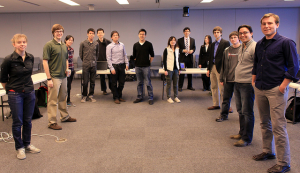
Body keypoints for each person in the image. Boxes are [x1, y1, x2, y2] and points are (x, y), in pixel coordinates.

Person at [252, 13, 299, 173]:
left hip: (275, 89)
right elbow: (256, 63)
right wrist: (254, 80)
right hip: (260, 87)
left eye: (270, 23)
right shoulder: (259, 44)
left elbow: (294, 67)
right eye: (264, 23)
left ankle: (284, 162)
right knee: (265, 122)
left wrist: (283, 86)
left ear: (277, 25)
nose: (266, 26)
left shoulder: (286, 43)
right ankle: (268, 151)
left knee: (279, 126)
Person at [0, 34, 41, 159]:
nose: (22, 44)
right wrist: (10, 90)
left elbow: (29, 74)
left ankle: (27, 144)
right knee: (18, 121)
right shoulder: (8, 60)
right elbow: (3, 79)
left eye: (24, 42)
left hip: (29, 92)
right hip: (15, 93)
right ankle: (19, 148)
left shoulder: (30, 57)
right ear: (14, 44)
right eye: (19, 42)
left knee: (28, 120)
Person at [43, 24, 77, 130]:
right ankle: (52, 122)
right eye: (57, 31)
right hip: (54, 76)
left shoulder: (63, 45)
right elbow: (45, 61)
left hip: (63, 76)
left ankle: (65, 116)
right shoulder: (49, 45)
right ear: (53, 33)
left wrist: (67, 69)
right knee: (53, 100)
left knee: (63, 97)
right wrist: (49, 78)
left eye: (61, 31)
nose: (59, 33)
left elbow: (66, 59)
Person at [231, 25, 256, 147]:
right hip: (238, 82)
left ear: (251, 33)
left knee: (247, 112)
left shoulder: (254, 47)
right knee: (240, 110)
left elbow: (258, 66)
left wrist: (253, 81)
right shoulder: (242, 46)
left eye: (245, 33)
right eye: (240, 33)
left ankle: (247, 138)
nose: (242, 35)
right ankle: (241, 133)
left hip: (247, 84)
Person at [216, 31, 241, 122]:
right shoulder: (227, 50)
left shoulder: (243, 49)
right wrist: (222, 78)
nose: (233, 39)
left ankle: (242, 117)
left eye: (235, 37)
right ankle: (223, 115)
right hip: (228, 79)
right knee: (226, 99)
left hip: (239, 80)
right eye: (231, 38)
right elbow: (223, 66)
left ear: (239, 38)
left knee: (240, 100)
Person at [207, 26, 230, 110]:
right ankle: (216, 104)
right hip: (212, 66)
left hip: (220, 67)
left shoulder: (225, 43)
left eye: (218, 32)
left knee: (222, 88)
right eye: (215, 32)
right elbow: (210, 57)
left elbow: (227, 57)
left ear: (221, 33)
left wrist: (225, 69)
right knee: (213, 87)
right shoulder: (212, 44)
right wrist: (208, 69)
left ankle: (226, 106)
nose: (216, 34)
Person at [132, 29, 155, 105]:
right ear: (138, 35)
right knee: (139, 83)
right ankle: (139, 97)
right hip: (138, 67)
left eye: (143, 34)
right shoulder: (135, 45)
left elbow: (152, 56)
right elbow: (134, 57)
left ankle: (150, 97)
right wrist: (138, 62)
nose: (142, 35)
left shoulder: (149, 44)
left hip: (146, 67)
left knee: (148, 82)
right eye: (140, 34)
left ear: (145, 35)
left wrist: (148, 63)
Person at [106, 31, 129, 104]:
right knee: (114, 83)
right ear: (111, 37)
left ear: (119, 37)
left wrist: (127, 63)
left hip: (122, 66)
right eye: (114, 35)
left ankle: (119, 95)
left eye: (117, 35)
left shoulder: (122, 45)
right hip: (114, 66)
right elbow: (108, 58)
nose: (115, 36)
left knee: (122, 82)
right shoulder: (109, 46)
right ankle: (116, 97)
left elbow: (125, 54)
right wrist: (111, 68)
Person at [79, 28, 99, 103]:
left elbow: (97, 54)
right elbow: (81, 54)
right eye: (90, 33)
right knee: (85, 81)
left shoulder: (96, 43)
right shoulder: (83, 43)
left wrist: (94, 61)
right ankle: (84, 96)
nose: (91, 35)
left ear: (94, 35)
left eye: (92, 33)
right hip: (86, 65)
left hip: (93, 65)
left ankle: (91, 95)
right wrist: (85, 61)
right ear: (87, 34)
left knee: (93, 81)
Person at [163, 36, 181, 103]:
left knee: (176, 84)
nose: (173, 41)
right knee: (169, 84)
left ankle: (176, 97)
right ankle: (169, 97)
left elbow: (178, 60)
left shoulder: (177, 49)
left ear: (175, 41)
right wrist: (165, 70)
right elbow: (164, 60)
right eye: (171, 40)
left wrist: (179, 69)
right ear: (169, 42)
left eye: (174, 40)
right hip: (169, 69)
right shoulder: (166, 49)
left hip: (176, 69)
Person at [178, 27, 196, 92]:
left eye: (188, 31)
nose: (186, 32)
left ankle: (190, 86)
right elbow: (178, 49)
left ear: (189, 32)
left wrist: (192, 51)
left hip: (190, 58)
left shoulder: (192, 40)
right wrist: (183, 50)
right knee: (182, 72)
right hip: (183, 59)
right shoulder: (179, 40)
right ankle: (180, 86)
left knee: (190, 73)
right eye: (185, 31)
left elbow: (194, 48)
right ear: (183, 32)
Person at [97, 28, 112, 95]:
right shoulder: (96, 43)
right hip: (100, 62)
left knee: (110, 77)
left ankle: (112, 88)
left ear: (104, 33)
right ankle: (104, 90)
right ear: (97, 34)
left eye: (101, 32)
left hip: (108, 61)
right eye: (99, 33)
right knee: (102, 77)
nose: (100, 34)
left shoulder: (108, 42)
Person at [65, 35, 76, 107]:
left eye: (72, 40)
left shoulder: (72, 49)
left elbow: (71, 60)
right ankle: (66, 100)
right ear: (65, 40)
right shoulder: (63, 49)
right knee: (67, 86)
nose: (70, 41)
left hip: (72, 69)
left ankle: (68, 100)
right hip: (66, 70)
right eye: (69, 40)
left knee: (69, 86)